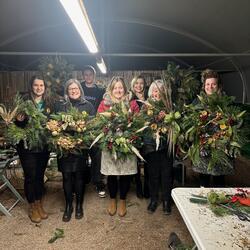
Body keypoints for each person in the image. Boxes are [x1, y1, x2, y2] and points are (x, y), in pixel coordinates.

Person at [97, 76, 139, 217]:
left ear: (125, 89)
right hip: (110, 144)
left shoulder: (132, 103)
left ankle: (122, 200)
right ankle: (112, 199)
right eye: (115, 88)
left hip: (127, 144)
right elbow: (99, 121)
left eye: (120, 87)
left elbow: (138, 121)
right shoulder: (104, 104)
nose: (118, 90)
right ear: (111, 89)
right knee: (112, 174)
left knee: (125, 173)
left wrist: (130, 133)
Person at [55, 79, 95, 222]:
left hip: (80, 147)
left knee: (79, 176)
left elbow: (92, 127)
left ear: (80, 90)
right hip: (64, 147)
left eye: (76, 88)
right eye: (70, 89)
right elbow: (54, 125)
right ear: (67, 91)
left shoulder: (88, 105)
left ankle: (78, 205)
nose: (73, 91)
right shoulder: (60, 105)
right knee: (66, 176)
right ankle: (68, 206)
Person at [15, 75, 51, 223]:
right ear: (32, 86)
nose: (39, 88)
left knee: (39, 175)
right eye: (36, 85)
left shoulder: (48, 103)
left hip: (43, 145)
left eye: (41, 85)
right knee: (30, 176)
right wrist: (19, 121)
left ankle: (38, 203)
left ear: (45, 88)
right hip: (27, 146)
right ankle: (32, 207)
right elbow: (17, 125)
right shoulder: (24, 102)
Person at [192, 69, 230, 187]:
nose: (210, 87)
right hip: (203, 145)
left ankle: (219, 202)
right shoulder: (197, 101)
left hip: (220, 144)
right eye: (208, 84)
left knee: (219, 177)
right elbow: (191, 120)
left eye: (213, 84)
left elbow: (232, 120)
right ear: (204, 86)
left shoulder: (225, 100)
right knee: (204, 176)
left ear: (218, 86)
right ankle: (204, 200)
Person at [143, 80, 173, 215]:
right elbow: (142, 124)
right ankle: (154, 199)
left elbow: (175, 123)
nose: (157, 93)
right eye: (155, 91)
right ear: (151, 92)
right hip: (151, 146)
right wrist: (155, 119)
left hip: (166, 146)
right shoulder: (146, 106)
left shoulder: (170, 106)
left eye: (160, 91)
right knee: (153, 174)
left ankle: (166, 201)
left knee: (166, 174)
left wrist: (167, 119)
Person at [81, 65, 106, 198]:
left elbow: (105, 105)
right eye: (86, 74)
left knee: (97, 154)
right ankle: (84, 178)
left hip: (96, 127)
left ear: (94, 76)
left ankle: (98, 181)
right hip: (81, 126)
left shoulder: (100, 90)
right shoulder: (79, 88)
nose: (88, 77)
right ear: (83, 76)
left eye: (90, 74)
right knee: (82, 153)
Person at [129, 75, 149, 198]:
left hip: (147, 134)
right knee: (135, 161)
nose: (138, 86)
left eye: (141, 83)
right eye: (136, 83)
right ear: (133, 85)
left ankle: (147, 186)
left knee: (147, 161)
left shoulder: (149, 97)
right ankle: (138, 186)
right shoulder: (130, 98)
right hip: (135, 133)